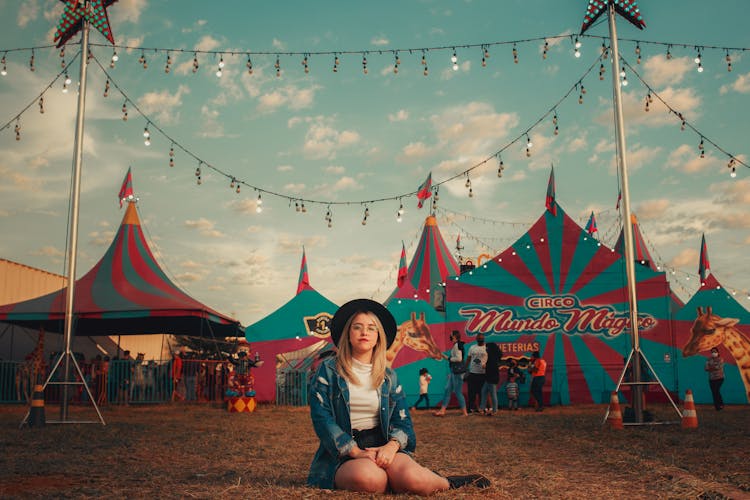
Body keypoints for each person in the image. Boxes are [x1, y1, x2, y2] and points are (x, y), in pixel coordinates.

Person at [308, 299, 489, 494]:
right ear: (348, 334)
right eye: (357, 327)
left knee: (415, 480)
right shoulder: (328, 370)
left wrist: (392, 446)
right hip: (344, 451)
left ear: (378, 336)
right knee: (371, 480)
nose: (364, 333)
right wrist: (355, 451)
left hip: (383, 441)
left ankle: (446, 481)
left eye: (371, 328)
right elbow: (322, 418)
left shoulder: (388, 376)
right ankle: (392, 479)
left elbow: (403, 423)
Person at [433, 330, 468, 417]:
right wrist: (446, 357)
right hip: (455, 372)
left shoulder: (457, 346)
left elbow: (459, 359)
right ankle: (442, 410)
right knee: (448, 389)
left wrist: (448, 358)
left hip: (457, 373)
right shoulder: (457, 345)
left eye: (451, 335)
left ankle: (465, 412)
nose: (450, 337)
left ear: (455, 337)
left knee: (457, 392)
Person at [465, 333, 488, 413]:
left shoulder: (486, 348)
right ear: (476, 339)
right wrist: (465, 369)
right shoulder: (472, 347)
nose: (480, 339)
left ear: (484, 339)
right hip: (472, 372)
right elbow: (468, 358)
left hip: (483, 373)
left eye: (482, 338)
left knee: (482, 392)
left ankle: (482, 408)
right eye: (479, 338)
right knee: (471, 392)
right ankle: (471, 408)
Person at [479, 342, 500, 415]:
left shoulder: (491, 357)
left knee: (492, 394)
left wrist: (484, 366)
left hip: (491, 377)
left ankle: (494, 410)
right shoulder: (494, 356)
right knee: (484, 392)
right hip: (490, 377)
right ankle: (482, 408)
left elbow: (490, 367)